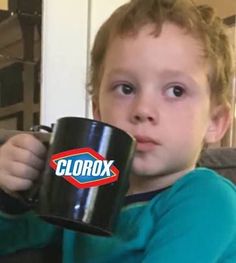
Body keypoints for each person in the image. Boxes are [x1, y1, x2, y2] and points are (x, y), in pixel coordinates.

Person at [0, 0, 236, 262]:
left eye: (175, 91)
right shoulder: (86, 184)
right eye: (126, 88)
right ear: (98, 110)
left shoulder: (208, 199)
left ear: (215, 122)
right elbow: (11, 245)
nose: (143, 109)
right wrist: (11, 198)